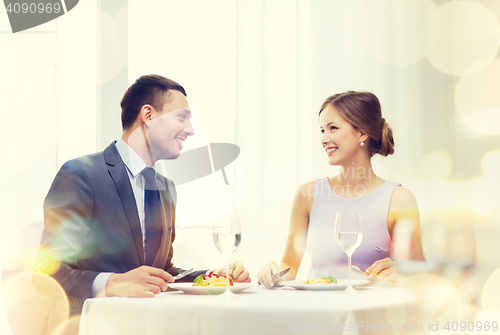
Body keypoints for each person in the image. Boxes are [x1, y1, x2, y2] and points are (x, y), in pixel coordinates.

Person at [36, 75, 250, 313]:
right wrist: (112, 282)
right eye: (182, 117)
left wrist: (212, 276)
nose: (189, 130)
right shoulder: (81, 174)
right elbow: (48, 272)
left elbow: (162, 272)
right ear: (148, 115)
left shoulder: (165, 188)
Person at [257, 91, 424, 288]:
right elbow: (290, 267)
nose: (323, 139)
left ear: (362, 133)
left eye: (333, 128)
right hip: (318, 312)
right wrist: (273, 274)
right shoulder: (308, 195)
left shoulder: (399, 199)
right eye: (322, 131)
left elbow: (419, 274)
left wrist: (402, 274)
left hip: (370, 313)